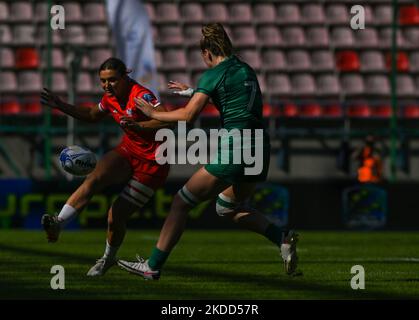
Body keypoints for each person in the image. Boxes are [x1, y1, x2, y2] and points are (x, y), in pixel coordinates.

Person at [117, 23, 298, 280]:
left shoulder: (213, 74)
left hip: (237, 146)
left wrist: (152, 113)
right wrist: (194, 91)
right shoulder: (245, 69)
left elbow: (189, 116)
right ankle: (282, 238)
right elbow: (230, 98)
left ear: (207, 52)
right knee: (227, 206)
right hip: (260, 147)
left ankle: (153, 266)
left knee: (180, 203)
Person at [40, 57, 171, 276]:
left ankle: (108, 259)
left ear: (125, 77)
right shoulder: (110, 98)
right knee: (94, 178)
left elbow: (168, 119)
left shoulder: (141, 95)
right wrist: (61, 105)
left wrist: (139, 125)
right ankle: (59, 222)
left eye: (112, 80)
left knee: (115, 216)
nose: (107, 85)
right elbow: (92, 115)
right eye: (103, 81)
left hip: (154, 162)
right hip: (128, 151)